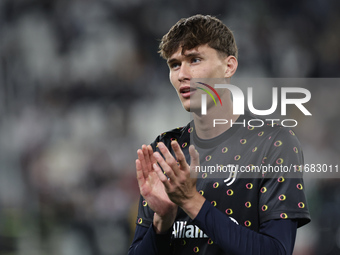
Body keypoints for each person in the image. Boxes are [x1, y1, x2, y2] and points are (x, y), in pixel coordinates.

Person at [128, 14, 310, 255]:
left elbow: (276, 251)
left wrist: (191, 202)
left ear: (229, 66)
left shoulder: (274, 143)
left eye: (194, 60)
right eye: (174, 64)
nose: (182, 74)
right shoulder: (166, 148)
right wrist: (162, 222)